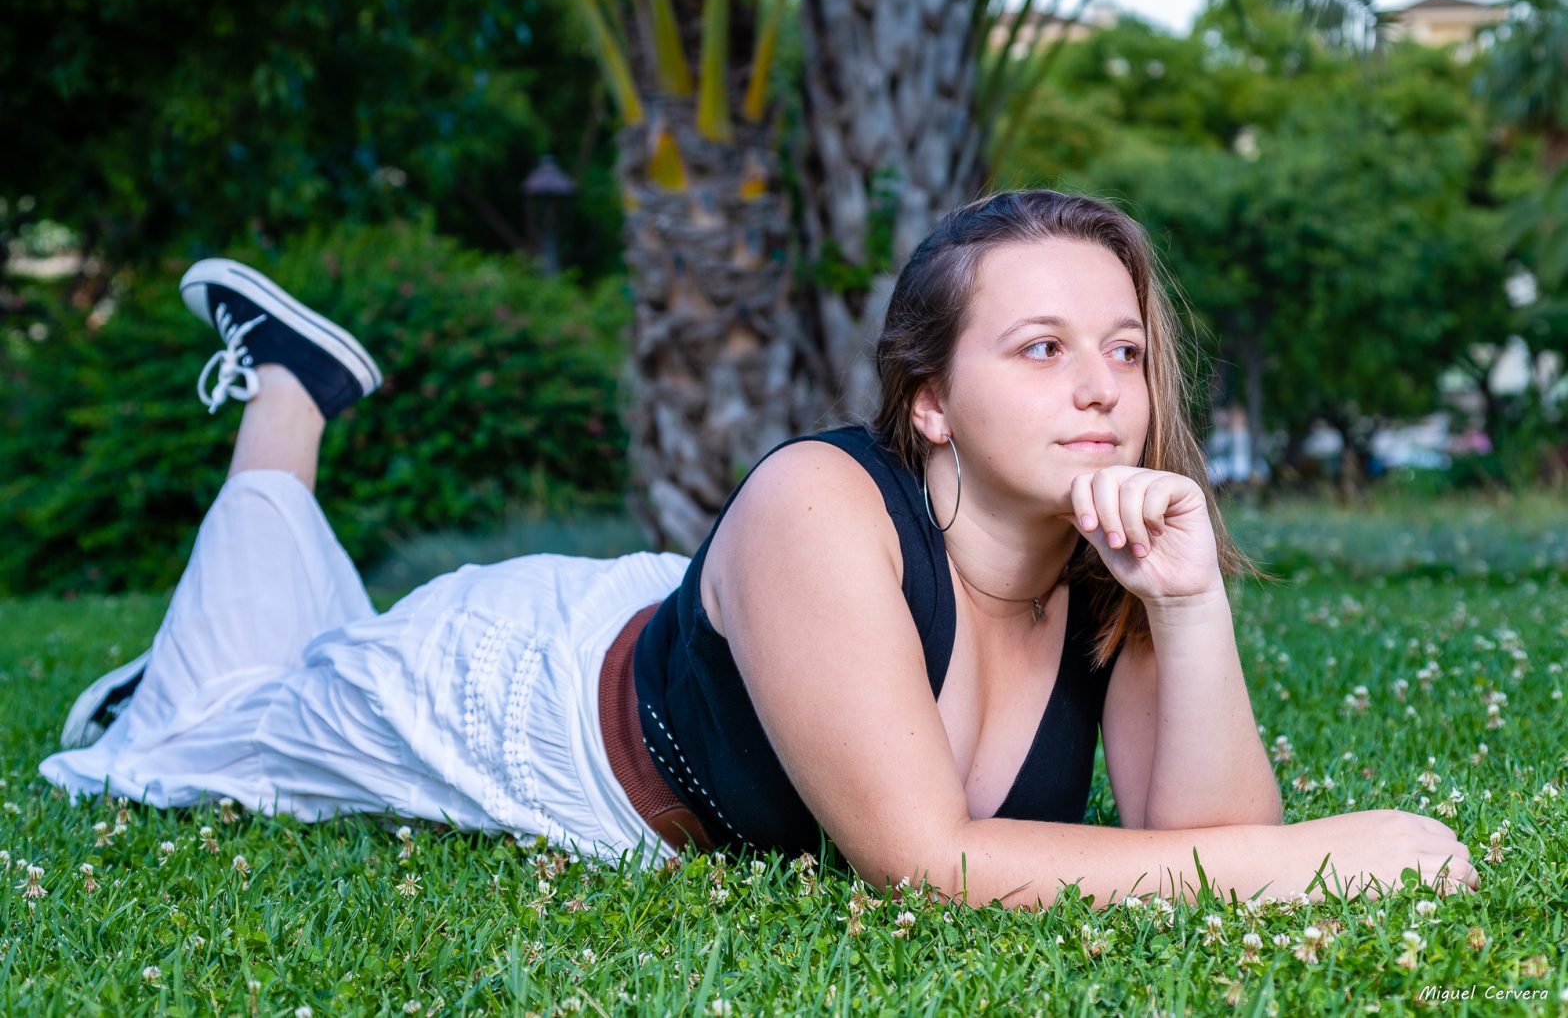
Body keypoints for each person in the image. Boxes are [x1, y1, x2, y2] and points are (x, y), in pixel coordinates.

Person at [41, 190, 1479, 909]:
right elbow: (925, 858)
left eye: (1119, 347)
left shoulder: (1117, 563)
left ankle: (282, 423)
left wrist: (1191, 608)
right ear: (930, 398)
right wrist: (1332, 860)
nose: (1102, 384)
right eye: (1039, 348)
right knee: (194, 723)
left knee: (223, 682)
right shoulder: (815, 497)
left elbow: (1205, 831)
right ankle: (292, 395)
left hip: (727, 637)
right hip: (510, 698)